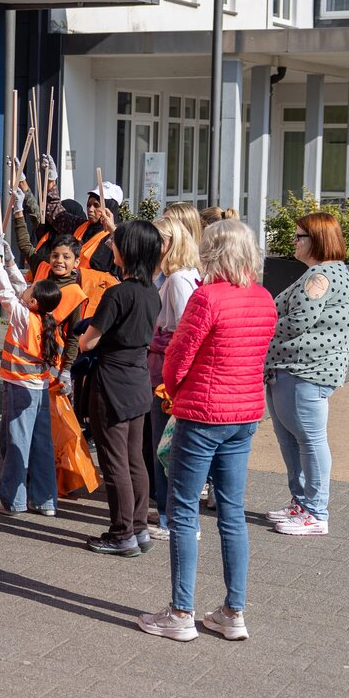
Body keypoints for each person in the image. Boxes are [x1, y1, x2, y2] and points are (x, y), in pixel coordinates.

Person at [138, 220, 275, 643]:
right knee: (232, 513)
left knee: (182, 511)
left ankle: (181, 611)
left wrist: (174, 392)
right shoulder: (264, 298)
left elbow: (178, 356)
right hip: (245, 413)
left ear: (211, 251)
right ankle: (233, 611)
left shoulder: (206, 297)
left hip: (202, 414)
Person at [265, 211, 349, 538]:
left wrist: (260, 331)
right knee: (293, 439)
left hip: (305, 372)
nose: (294, 241)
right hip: (292, 370)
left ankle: (316, 512)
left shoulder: (321, 277)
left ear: (315, 240)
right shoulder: (319, 274)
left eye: (299, 236)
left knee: (310, 441)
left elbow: (296, 322)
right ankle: (302, 503)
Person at [77, 221, 162, 557]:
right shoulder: (151, 291)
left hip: (111, 381)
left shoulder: (117, 293)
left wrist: (86, 336)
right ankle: (137, 529)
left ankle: (122, 532)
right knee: (134, 460)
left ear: (126, 252)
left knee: (114, 463)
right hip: (138, 380)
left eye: (116, 242)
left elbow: (87, 343)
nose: (111, 247)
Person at [0, 233, 63, 518]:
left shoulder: (23, 316)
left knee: (16, 442)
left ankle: (13, 500)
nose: (26, 290)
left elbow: (5, 292)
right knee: (41, 443)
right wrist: (8, 257)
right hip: (39, 388)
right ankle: (45, 500)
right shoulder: (43, 316)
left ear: (33, 302)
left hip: (20, 388)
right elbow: (21, 286)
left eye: (30, 293)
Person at [146, 204, 202, 534]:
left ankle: (172, 519)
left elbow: (183, 331)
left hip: (167, 375)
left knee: (166, 447)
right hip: (165, 370)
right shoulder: (178, 276)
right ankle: (168, 512)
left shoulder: (179, 280)